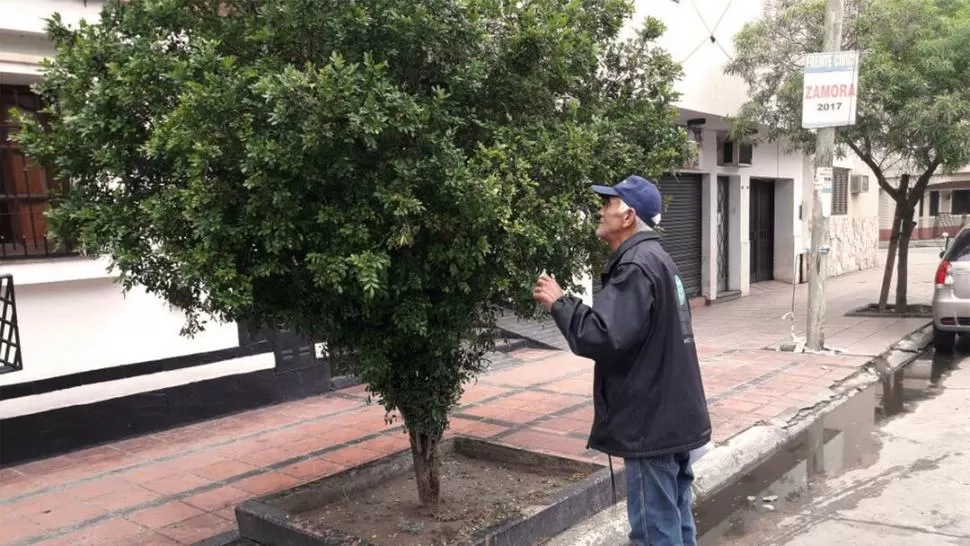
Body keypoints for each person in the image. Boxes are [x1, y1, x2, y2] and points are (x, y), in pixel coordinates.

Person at [532, 175, 712, 546]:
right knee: (675, 519)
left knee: (653, 530)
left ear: (628, 216)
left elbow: (602, 336)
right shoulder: (658, 259)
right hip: (673, 416)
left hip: (651, 423)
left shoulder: (635, 266)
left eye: (608, 203)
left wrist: (560, 302)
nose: (601, 211)